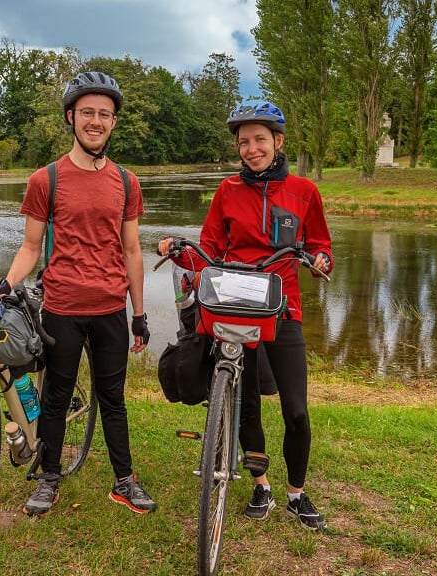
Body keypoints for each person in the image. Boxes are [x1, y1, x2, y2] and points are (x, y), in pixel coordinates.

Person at [157, 100, 333, 530]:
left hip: (284, 308)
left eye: (259, 140)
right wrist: (179, 252)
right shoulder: (227, 191)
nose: (251, 149)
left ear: (278, 141)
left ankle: (296, 492)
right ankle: (262, 485)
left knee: (296, 410)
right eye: (243, 142)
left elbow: (320, 244)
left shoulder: (304, 192)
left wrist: (320, 260)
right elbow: (211, 250)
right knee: (247, 405)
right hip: (235, 306)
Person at [1, 71, 155, 516]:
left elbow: (131, 249)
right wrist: (6, 285)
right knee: (55, 397)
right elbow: (31, 247)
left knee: (113, 399)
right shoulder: (45, 180)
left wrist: (139, 314)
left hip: (110, 309)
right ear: (71, 117)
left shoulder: (126, 182)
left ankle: (124, 481)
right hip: (62, 309)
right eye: (87, 112)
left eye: (104, 114)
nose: (96, 121)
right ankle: (49, 478)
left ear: (113, 123)